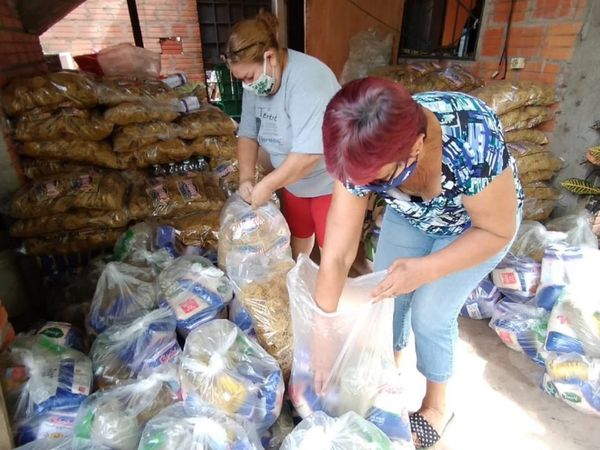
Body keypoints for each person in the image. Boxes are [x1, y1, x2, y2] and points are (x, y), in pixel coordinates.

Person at [315, 77, 523, 448]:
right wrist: (322, 343)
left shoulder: (473, 137)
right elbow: (335, 255)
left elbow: (497, 229)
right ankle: (388, 375)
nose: (367, 190)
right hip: (413, 215)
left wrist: (426, 269)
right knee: (384, 295)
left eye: (378, 181)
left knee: (431, 313)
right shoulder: (360, 150)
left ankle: (436, 406)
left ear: (417, 145)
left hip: (478, 225)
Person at [222, 11, 340, 258]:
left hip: (329, 180)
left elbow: (309, 154)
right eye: (241, 79)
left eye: (249, 77)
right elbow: (247, 134)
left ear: (270, 57)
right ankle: (300, 280)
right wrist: (246, 179)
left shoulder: (308, 80)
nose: (248, 85)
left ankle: (328, 295)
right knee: (299, 236)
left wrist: (268, 184)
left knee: (331, 252)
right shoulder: (258, 82)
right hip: (292, 180)